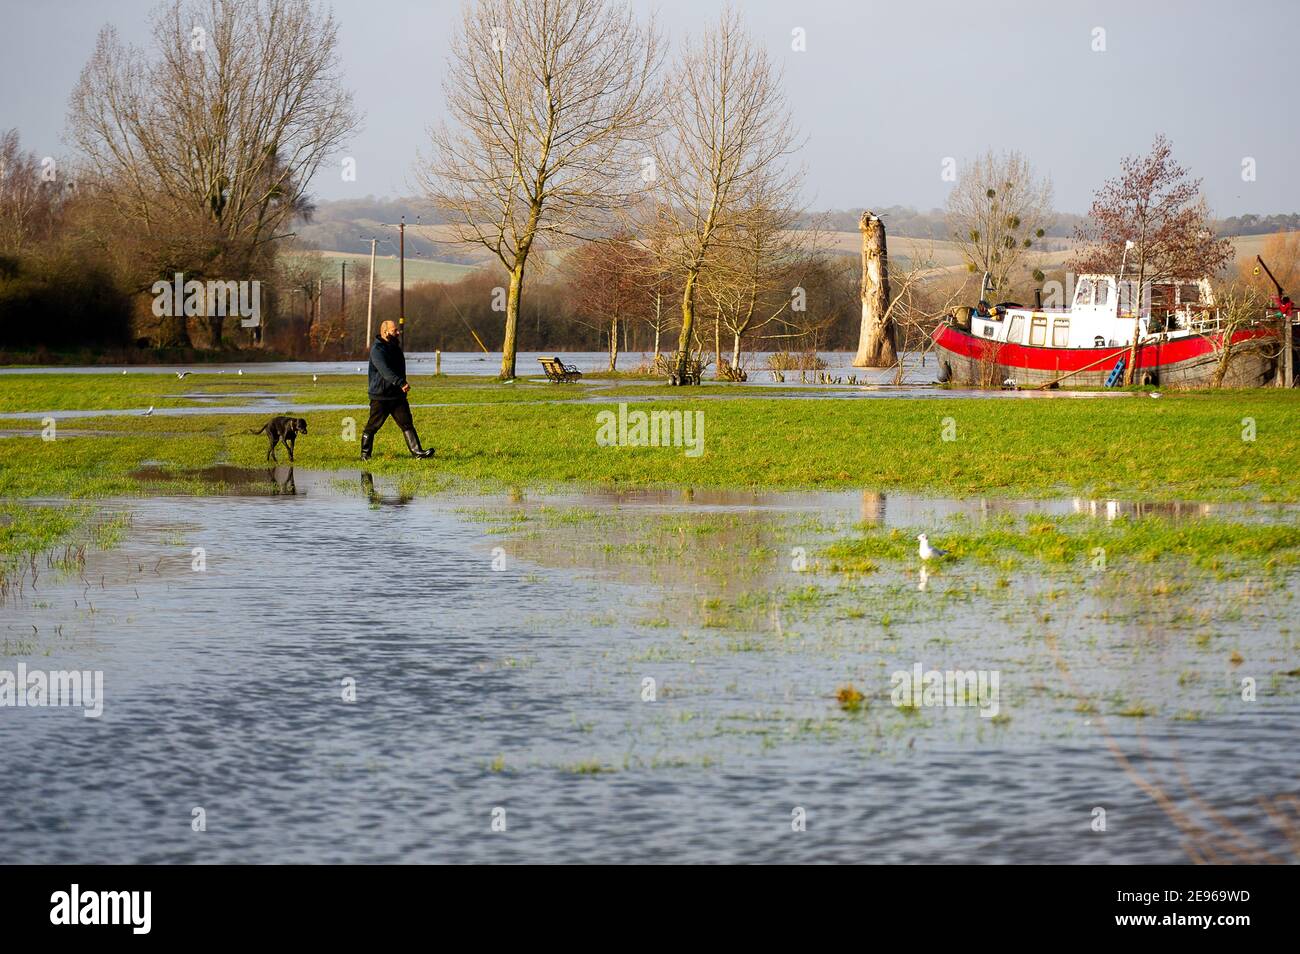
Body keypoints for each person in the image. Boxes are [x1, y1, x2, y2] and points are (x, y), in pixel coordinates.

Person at [360, 320, 434, 460]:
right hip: (381, 396)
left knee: (406, 423)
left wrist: (401, 387)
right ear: (385, 332)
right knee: (373, 426)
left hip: (397, 396)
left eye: (397, 330)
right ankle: (365, 454)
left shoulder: (395, 347)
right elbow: (384, 370)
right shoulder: (377, 349)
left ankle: (418, 452)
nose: (398, 333)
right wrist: (401, 382)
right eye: (395, 331)